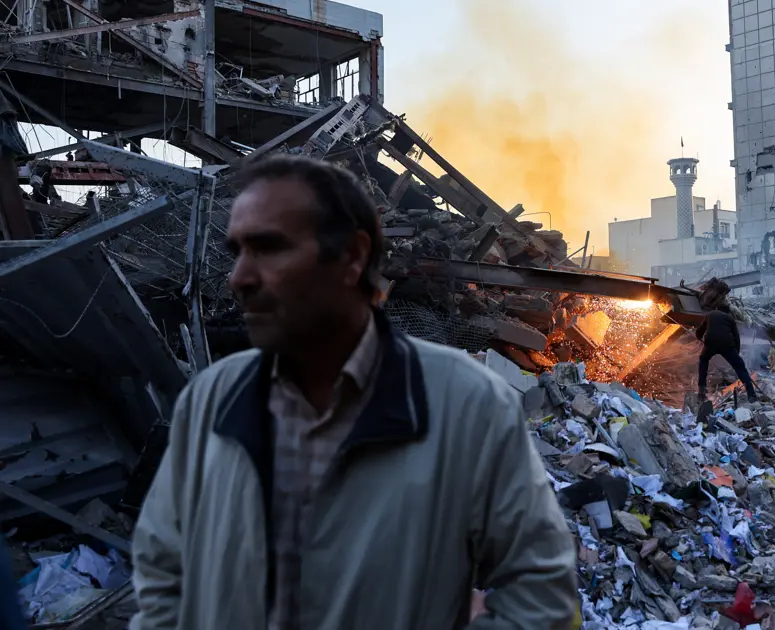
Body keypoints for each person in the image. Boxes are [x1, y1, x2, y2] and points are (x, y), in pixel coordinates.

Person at [129, 155, 577, 630]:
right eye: (238, 251)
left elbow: (543, 596)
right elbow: (162, 567)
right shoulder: (213, 398)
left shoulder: (466, 401)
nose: (238, 277)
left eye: (270, 250)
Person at [696, 303, 757, 402]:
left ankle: (701, 392)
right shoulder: (730, 319)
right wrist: (736, 353)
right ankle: (751, 394)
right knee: (739, 367)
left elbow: (700, 331)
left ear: (717, 308)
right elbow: (736, 337)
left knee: (703, 361)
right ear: (727, 311)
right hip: (727, 344)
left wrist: (699, 337)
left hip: (711, 343)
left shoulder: (710, 314)